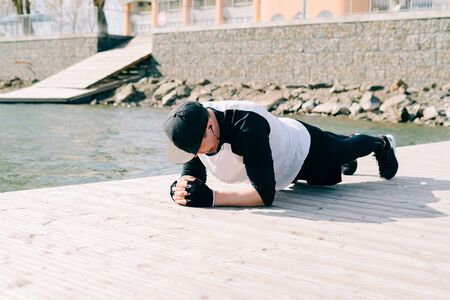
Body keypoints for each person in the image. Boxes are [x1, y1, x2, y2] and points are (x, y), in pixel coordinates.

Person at [163, 100, 398, 208]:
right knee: (325, 177)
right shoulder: (194, 121)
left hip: (303, 151)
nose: (195, 154)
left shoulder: (247, 127)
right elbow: (193, 169)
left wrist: (212, 198)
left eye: (197, 148)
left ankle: (381, 143)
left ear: (210, 128)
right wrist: (184, 187)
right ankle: (344, 150)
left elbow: (264, 195)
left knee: (344, 150)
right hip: (275, 155)